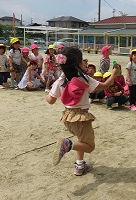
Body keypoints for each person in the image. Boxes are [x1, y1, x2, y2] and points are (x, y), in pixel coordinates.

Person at [46, 47, 118, 176]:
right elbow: (105, 85)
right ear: (78, 63)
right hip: (81, 117)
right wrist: (114, 73)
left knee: (81, 139)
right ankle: (67, 144)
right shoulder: (84, 79)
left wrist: (50, 92)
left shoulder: (60, 81)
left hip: (68, 117)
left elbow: (50, 101)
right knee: (89, 146)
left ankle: (80, 165)